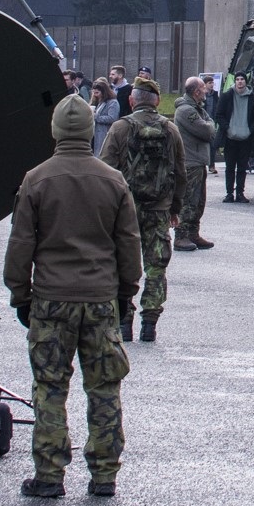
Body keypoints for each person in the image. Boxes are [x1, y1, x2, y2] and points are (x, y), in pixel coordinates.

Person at [4, 94, 139, 499]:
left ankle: (48, 473)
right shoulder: (112, 180)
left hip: (51, 298)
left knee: (49, 386)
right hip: (100, 299)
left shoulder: (37, 179)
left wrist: (19, 293)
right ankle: (104, 474)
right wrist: (125, 292)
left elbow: (21, 243)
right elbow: (128, 244)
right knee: (104, 388)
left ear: (56, 131)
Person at [100, 77, 193, 342]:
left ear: (131, 100)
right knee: (156, 266)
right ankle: (150, 321)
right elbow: (180, 173)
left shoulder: (120, 128)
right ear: (155, 102)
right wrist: (175, 208)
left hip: (124, 210)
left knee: (122, 263)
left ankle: (124, 319)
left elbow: (106, 170)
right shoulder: (170, 129)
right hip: (159, 209)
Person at [172, 77, 216, 253]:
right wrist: (210, 125)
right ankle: (181, 235)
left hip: (198, 161)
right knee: (189, 200)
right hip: (190, 162)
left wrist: (210, 125)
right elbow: (206, 130)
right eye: (203, 88)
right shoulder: (185, 111)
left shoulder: (198, 109)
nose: (206, 91)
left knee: (199, 200)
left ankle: (193, 233)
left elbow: (210, 124)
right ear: (196, 91)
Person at [211, 75, 254, 203]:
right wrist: (227, 128)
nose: (240, 82)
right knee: (230, 167)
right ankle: (229, 193)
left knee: (242, 167)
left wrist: (250, 130)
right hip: (230, 137)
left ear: (246, 82)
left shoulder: (252, 97)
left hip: (245, 138)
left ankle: (240, 192)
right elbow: (219, 115)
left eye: (242, 79)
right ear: (235, 82)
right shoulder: (227, 96)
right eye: (237, 79)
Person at [89, 80, 119, 156]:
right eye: (94, 91)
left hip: (104, 134)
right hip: (95, 135)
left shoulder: (113, 102)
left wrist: (96, 116)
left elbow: (113, 118)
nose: (95, 94)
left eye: (97, 92)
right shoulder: (99, 101)